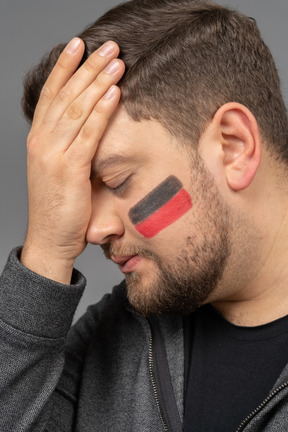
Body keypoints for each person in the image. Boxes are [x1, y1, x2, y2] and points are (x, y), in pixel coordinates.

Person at [1, 0, 288, 430]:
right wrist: (46, 253)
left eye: (117, 182)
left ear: (233, 146)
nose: (93, 230)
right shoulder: (111, 339)